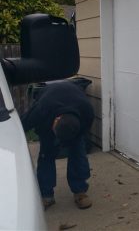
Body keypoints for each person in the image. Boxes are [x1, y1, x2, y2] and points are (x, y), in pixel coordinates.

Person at [22, 80, 94, 210]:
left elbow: (84, 131)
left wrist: (73, 140)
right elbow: (22, 124)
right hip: (50, 104)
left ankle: (80, 192)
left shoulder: (87, 112)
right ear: (56, 120)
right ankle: (46, 195)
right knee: (46, 154)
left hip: (74, 110)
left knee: (78, 152)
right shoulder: (42, 108)